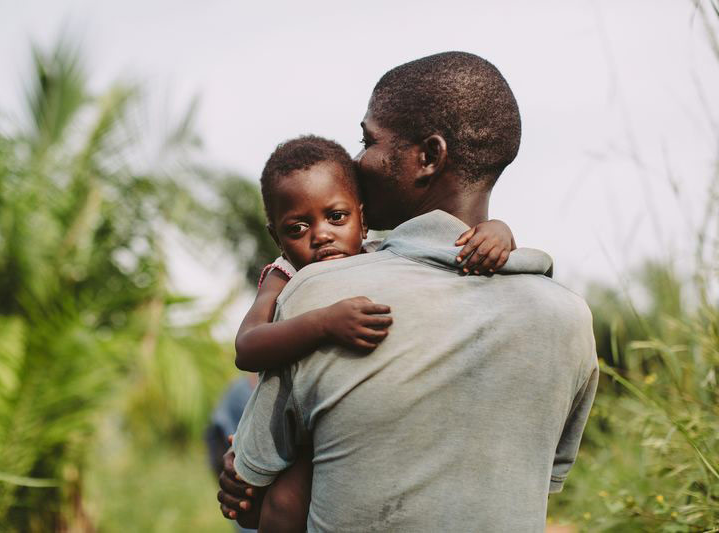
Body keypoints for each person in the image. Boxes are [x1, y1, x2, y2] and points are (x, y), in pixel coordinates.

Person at [220, 51, 598, 532]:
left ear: (429, 157)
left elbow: (250, 481)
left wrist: (245, 470)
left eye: (368, 140)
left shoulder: (321, 296)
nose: (358, 160)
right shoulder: (569, 319)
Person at [226, 134, 516, 532]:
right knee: (280, 504)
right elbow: (247, 347)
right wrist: (323, 323)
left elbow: (456, 248)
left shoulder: (384, 253)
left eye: (337, 217)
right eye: (297, 227)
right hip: (296, 427)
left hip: (366, 426)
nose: (321, 234)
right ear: (277, 237)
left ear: (362, 218)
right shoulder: (284, 276)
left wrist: (498, 231)